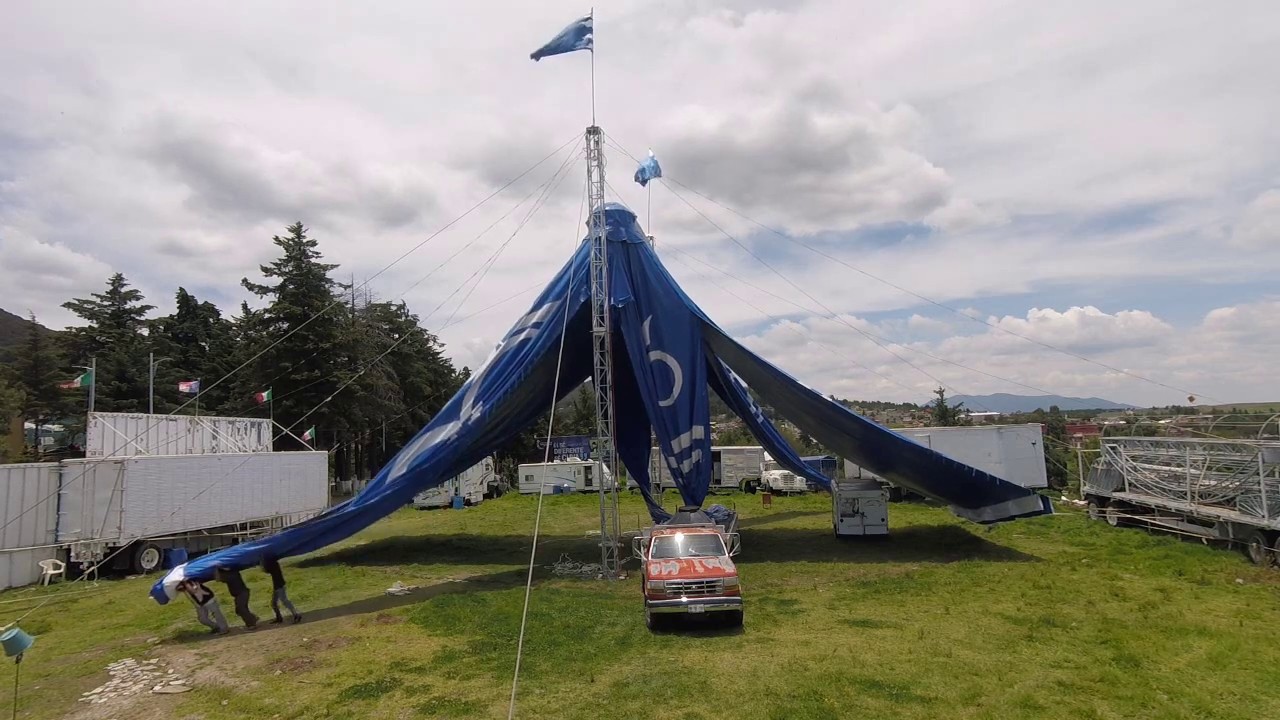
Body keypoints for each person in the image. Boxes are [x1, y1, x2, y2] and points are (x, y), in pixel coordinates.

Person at [261, 555, 302, 624]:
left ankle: (296, 614)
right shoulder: (275, 564)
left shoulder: (273, 565)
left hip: (279, 586)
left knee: (284, 601)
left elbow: (265, 570)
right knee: (274, 603)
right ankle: (279, 617)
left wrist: (261, 562)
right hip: (278, 586)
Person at [215, 565, 258, 629]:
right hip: (240, 594)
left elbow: (218, 579)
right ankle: (252, 619)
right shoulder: (231, 573)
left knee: (242, 609)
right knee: (238, 610)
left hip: (242, 593)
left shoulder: (231, 574)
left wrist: (216, 569)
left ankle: (251, 624)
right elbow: (218, 578)